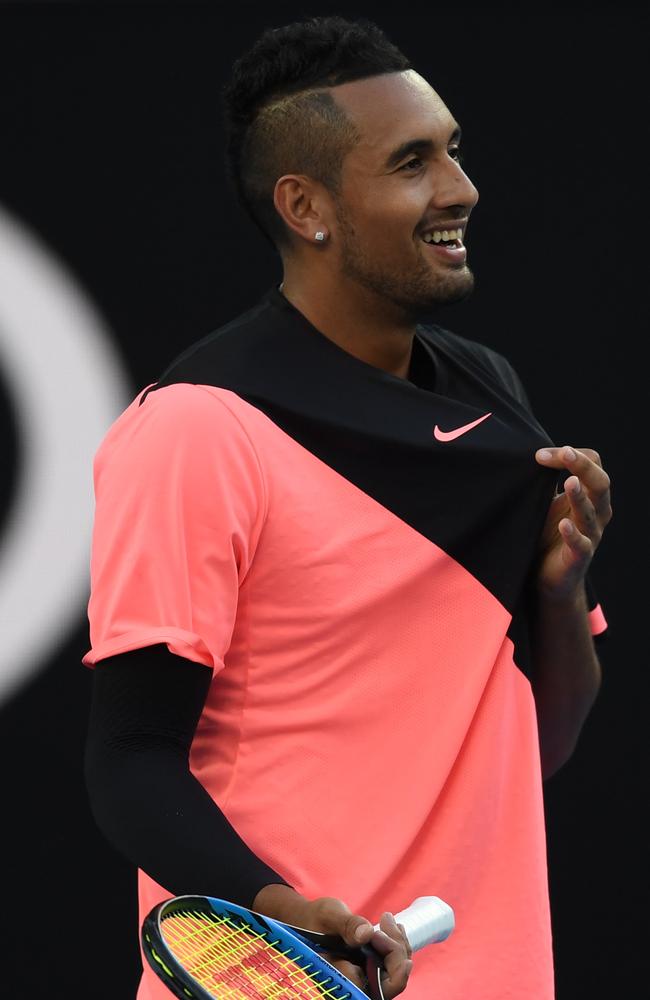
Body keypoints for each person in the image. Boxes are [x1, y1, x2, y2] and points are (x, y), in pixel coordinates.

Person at [82, 15, 611, 1000]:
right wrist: (275, 908)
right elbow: (129, 759)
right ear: (306, 207)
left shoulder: (489, 398)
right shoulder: (197, 428)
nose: (459, 188)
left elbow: (540, 743)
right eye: (412, 162)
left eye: (452, 150)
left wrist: (556, 590)